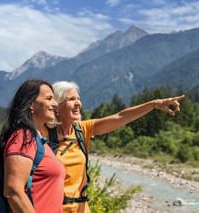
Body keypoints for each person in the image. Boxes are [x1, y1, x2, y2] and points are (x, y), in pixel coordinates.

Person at [43, 81, 185, 213]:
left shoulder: (82, 130)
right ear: (57, 105)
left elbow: (120, 117)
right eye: (71, 99)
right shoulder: (43, 135)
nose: (78, 103)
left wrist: (153, 104)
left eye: (78, 99)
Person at [0, 79, 65, 213]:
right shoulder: (23, 137)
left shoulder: (38, 139)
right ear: (31, 104)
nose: (55, 104)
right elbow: (13, 191)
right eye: (49, 98)